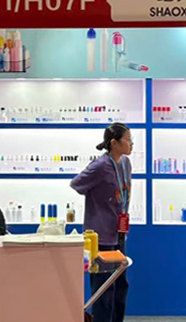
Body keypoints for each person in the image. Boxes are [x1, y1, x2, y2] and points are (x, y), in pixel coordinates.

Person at [71, 123, 133, 322]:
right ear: (114, 143)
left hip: (119, 233)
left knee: (120, 286)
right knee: (103, 289)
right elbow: (77, 184)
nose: (131, 144)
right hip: (99, 236)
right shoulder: (99, 166)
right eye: (128, 139)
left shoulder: (125, 163)